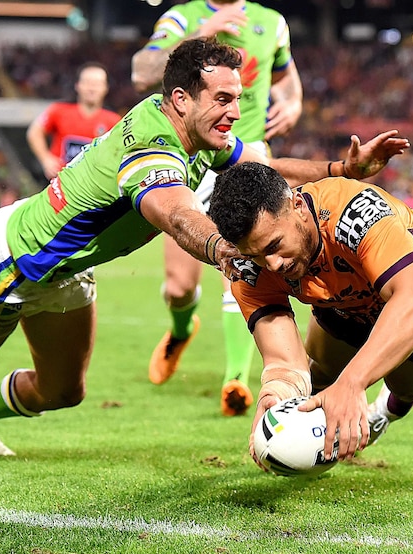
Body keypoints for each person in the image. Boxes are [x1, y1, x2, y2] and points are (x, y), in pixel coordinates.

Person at [0, 38, 408, 457]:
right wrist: (225, 250)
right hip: (14, 262)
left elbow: (262, 161)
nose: (234, 110)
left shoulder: (194, 132)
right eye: (222, 99)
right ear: (180, 100)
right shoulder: (151, 143)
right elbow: (174, 214)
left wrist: (340, 166)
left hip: (66, 271)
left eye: (236, 96)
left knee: (64, 391)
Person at [207, 162, 413, 466]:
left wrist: (353, 383)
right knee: (320, 372)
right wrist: (275, 394)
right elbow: (284, 362)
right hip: (341, 297)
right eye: (255, 255)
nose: (273, 264)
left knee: (403, 385)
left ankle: (386, 409)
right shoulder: (250, 268)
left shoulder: (355, 211)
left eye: (275, 245)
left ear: (296, 206)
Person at [133, 0, 304, 416]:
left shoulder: (272, 23)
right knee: (179, 287)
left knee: (244, 269)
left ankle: (236, 379)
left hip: (244, 160)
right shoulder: (182, 17)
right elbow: (142, 72)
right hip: (191, 157)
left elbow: (288, 81)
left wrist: (293, 104)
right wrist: (203, 31)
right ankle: (181, 328)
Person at [26, 62, 121, 181]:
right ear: (77, 85)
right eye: (87, 83)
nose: (92, 88)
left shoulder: (114, 120)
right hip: (58, 183)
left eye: (97, 84)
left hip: (92, 186)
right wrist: (46, 159)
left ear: (106, 88)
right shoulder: (59, 110)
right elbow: (35, 132)